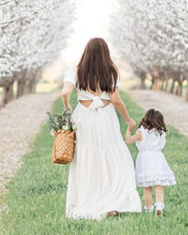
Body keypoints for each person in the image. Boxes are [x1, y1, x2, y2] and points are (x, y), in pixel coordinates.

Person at [60, 37, 142, 219]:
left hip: (83, 117)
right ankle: (113, 201)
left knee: (86, 158)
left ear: (86, 52)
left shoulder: (75, 72)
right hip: (106, 117)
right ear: (106, 53)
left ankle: (88, 199)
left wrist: (67, 107)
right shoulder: (111, 72)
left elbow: (65, 92)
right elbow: (116, 100)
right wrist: (128, 120)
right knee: (113, 156)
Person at [124, 108, 175, 216]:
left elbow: (128, 140)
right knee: (159, 186)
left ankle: (148, 209)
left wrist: (129, 130)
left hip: (145, 161)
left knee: (147, 188)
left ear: (145, 119)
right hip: (158, 159)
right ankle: (159, 206)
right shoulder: (161, 132)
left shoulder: (141, 132)